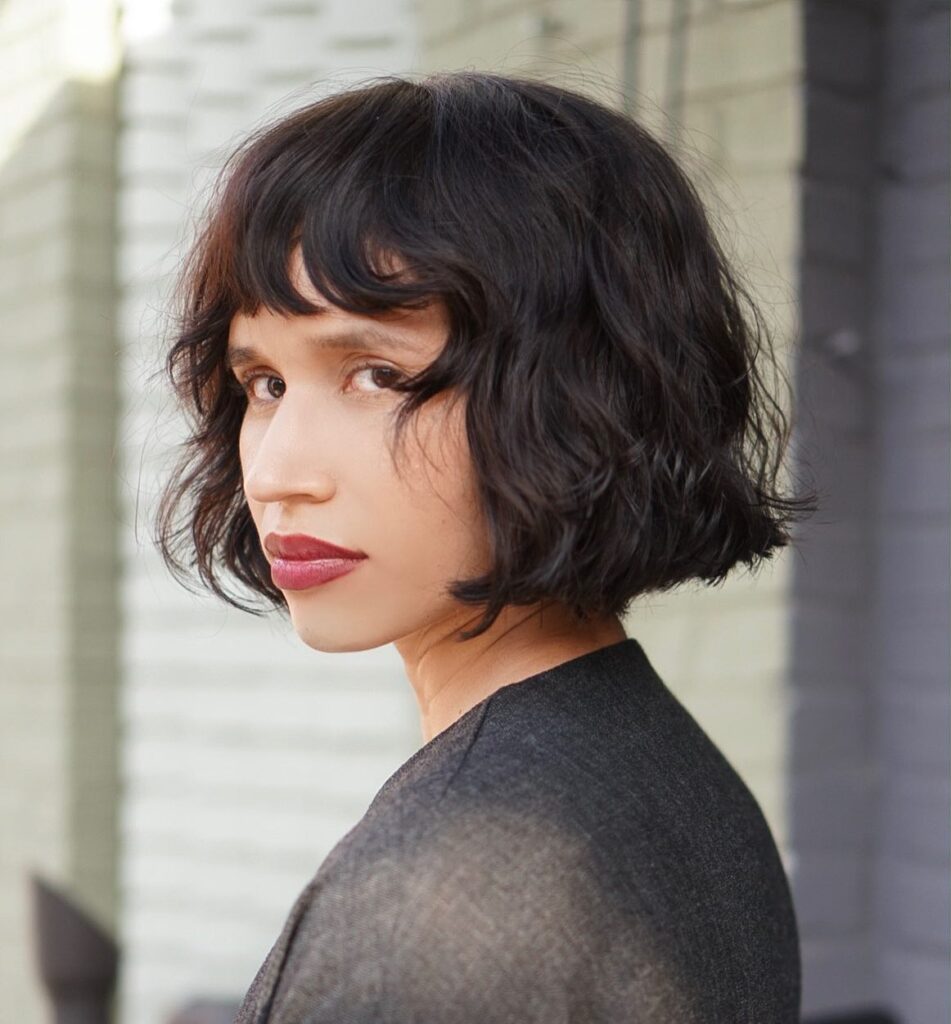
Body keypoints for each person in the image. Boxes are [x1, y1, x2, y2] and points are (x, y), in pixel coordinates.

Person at [155, 70, 817, 1022]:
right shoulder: (660, 768)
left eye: (377, 373)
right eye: (262, 383)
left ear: (577, 398)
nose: (277, 472)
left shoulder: (438, 906)